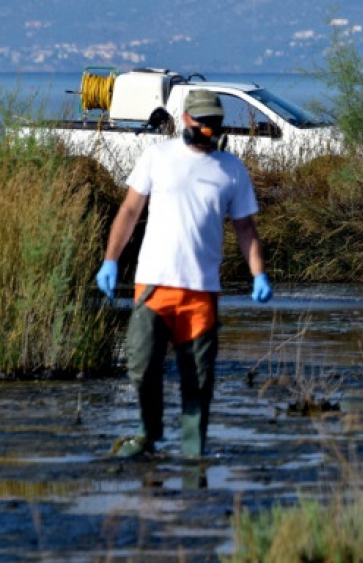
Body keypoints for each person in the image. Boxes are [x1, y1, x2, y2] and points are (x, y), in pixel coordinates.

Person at [95, 88, 273, 459]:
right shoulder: (157, 157)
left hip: (201, 293)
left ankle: (194, 455)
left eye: (215, 123)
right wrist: (111, 259)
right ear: (186, 119)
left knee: (198, 383)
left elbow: (245, 229)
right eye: (203, 122)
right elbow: (129, 211)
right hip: (153, 289)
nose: (209, 129)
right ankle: (149, 435)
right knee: (142, 367)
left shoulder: (231, 169)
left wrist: (258, 273)